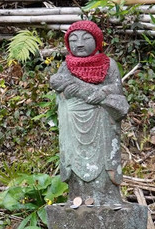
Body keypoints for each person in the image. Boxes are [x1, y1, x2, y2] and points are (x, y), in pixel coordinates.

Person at [50, 20, 128, 205]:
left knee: (103, 162)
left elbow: (116, 89)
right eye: (74, 39)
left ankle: (107, 197)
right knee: (74, 160)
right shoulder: (66, 66)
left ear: (97, 41)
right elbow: (60, 91)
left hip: (101, 120)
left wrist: (101, 92)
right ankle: (77, 197)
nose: (80, 43)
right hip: (73, 123)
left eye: (86, 38)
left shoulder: (109, 64)